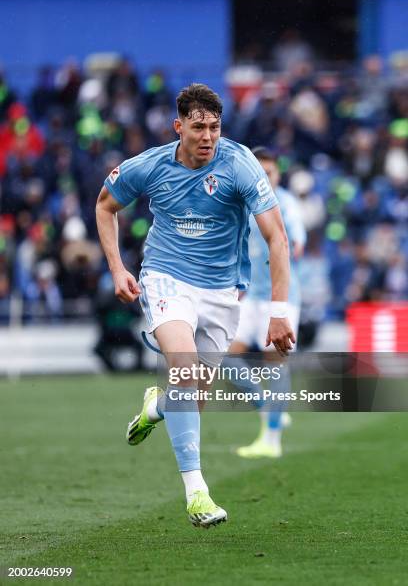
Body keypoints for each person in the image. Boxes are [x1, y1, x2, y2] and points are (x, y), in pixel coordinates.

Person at [95, 84, 294, 528]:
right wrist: (116, 267)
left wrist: (280, 313)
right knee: (184, 368)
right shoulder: (149, 165)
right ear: (178, 126)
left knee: (191, 394)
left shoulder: (240, 163)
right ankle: (197, 493)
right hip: (166, 277)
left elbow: (277, 237)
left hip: (223, 292)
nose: (207, 137)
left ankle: (157, 407)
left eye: (215, 128)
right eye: (199, 127)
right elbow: (105, 206)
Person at [228, 147, 306, 459]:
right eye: (259, 172)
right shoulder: (244, 204)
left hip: (281, 298)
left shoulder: (285, 204)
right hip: (251, 296)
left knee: (275, 363)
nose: (264, 178)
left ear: (278, 175)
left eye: (269, 172)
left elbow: (295, 245)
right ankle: (267, 406)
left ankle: (271, 440)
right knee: (225, 357)